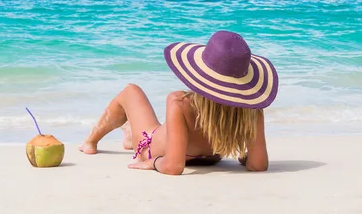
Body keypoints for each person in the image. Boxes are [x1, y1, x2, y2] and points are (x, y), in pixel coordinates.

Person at [79, 31, 279, 175]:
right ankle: (129, 134)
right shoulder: (252, 111)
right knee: (151, 126)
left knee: (131, 91)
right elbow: (258, 165)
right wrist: (245, 158)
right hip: (212, 159)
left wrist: (154, 162)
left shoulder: (179, 102)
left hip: (153, 149)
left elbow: (173, 166)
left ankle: (90, 142)